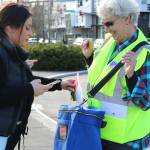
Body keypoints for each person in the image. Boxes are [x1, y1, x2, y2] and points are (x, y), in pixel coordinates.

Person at [0, 3, 75, 150]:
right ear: (10, 28)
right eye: (27, 28)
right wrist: (29, 89)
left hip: (8, 133)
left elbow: (30, 81)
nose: (30, 33)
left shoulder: (12, 53)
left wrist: (60, 84)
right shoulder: (2, 54)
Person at [82, 0, 150, 149]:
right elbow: (104, 80)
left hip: (126, 142)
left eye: (110, 24)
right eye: (104, 24)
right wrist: (89, 58)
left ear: (128, 19)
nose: (106, 30)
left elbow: (146, 103)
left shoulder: (145, 53)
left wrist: (131, 76)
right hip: (98, 132)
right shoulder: (109, 44)